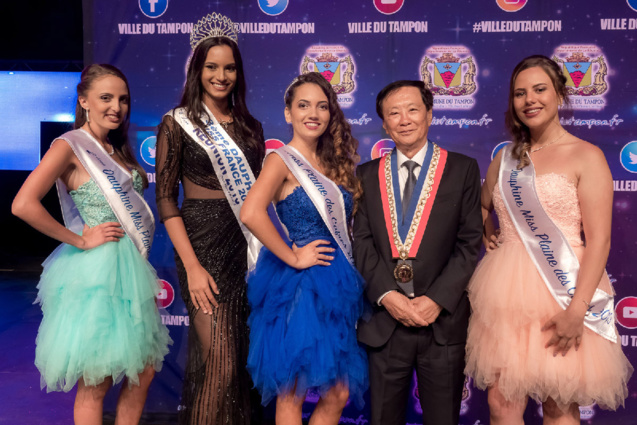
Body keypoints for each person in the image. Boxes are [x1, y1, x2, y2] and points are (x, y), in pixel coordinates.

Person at [464, 55, 633, 424]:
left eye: (539, 89)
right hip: (505, 295)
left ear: (559, 94)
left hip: (564, 290)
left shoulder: (586, 155)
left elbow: (600, 240)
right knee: (501, 404)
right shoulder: (504, 160)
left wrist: (577, 309)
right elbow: (479, 209)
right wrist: (491, 235)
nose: (529, 100)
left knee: (559, 405)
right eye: (520, 94)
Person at [12, 64, 171, 424]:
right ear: (84, 100)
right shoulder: (70, 145)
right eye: (105, 98)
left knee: (142, 371)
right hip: (98, 272)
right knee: (95, 381)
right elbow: (22, 204)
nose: (116, 106)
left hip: (130, 270)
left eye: (123, 99)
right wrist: (79, 240)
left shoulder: (115, 149)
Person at [155, 12, 265, 425]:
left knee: (236, 367)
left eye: (230, 67)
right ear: (197, 69)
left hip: (243, 250)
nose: (222, 76)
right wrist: (192, 266)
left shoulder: (251, 127)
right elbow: (166, 199)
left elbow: (257, 196)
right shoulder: (176, 123)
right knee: (219, 361)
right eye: (212, 66)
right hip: (199, 247)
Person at [240, 72, 368, 425]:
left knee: (338, 392)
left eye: (322, 106)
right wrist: (293, 255)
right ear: (288, 113)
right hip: (299, 285)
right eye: (303, 105)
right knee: (292, 391)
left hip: (337, 284)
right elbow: (251, 213)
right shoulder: (280, 159)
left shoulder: (334, 164)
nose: (313, 113)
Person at [353, 80, 482, 425]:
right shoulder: (367, 174)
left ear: (429, 114)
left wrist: (436, 299)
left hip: (441, 323)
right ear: (384, 123)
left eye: (412, 109)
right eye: (394, 113)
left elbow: (470, 244)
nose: (404, 119)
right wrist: (388, 296)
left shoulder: (462, 169)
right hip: (385, 322)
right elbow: (361, 243)